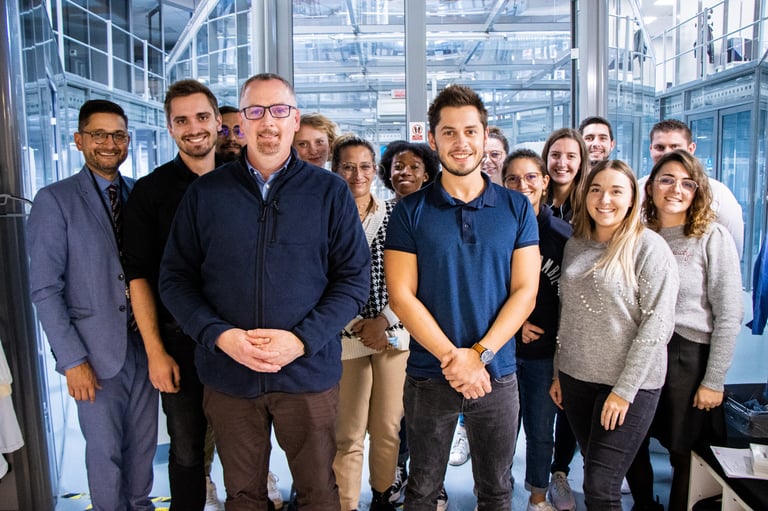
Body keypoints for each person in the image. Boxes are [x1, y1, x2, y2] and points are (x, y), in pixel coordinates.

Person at [158, 73, 370, 511]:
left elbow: (352, 280)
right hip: (229, 374)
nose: (267, 121)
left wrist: (301, 340)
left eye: (278, 111)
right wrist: (219, 335)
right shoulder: (206, 193)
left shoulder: (329, 192)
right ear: (238, 125)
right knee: (245, 495)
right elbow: (174, 280)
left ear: (294, 120)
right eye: (255, 111)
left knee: (317, 493)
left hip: (307, 374)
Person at [384, 84, 540, 510]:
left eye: (470, 131)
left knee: (496, 489)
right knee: (421, 488)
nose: (461, 142)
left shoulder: (516, 208)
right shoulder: (410, 210)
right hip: (429, 373)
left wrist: (480, 355)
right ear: (432, 139)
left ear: (485, 135)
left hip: (498, 373)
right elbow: (401, 295)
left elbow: (526, 292)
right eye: (449, 132)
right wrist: (455, 358)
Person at [27, 99, 158, 510]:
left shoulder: (139, 194)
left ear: (128, 142)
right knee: (105, 455)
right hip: (94, 353)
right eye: (98, 134)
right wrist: (72, 360)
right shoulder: (55, 200)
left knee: (143, 451)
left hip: (145, 347)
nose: (109, 143)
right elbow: (45, 288)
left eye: (117, 135)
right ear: (79, 140)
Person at [550, 160, 679, 510]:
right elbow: (568, 313)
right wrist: (557, 371)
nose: (604, 199)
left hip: (628, 385)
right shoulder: (576, 242)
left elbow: (658, 325)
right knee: (596, 469)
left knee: (600, 485)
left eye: (616, 190)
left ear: (633, 197)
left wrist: (623, 392)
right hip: (577, 379)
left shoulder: (649, 248)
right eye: (596, 189)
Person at [122, 80, 223, 511]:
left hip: (242, 338)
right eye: (181, 120)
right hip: (179, 340)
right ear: (169, 128)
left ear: (219, 122)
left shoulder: (244, 181)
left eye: (202, 117)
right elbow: (138, 277)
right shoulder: (150, 192)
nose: (194, 128)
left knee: (246, 449)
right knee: (186, 451)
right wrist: (155, 352)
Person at [627, 150, 742, 511]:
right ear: (651, 186)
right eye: (666, 179)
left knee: (684, 453)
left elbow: (728, 313)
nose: (676, 189)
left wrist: (714, 381)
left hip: (688, 357)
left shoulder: (711, 236)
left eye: (687, 183)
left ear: (697, 191)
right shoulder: (637, 235)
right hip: (643, 351)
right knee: (632, 442)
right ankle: (645, 505)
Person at [329, 135, 409, 511]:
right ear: (335, 170)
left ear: (375, 171)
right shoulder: (324, 214)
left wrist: (384, 320)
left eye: (364, 166)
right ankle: (345, 502)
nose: (357, 174)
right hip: (345, 334)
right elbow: (317, 276)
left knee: (388, 428)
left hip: (393, 334)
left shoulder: (396, 213)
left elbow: (412, 275)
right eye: (347, 166)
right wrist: (359, 322)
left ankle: (384, 495)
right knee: (348, 433)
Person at [377, 140, 446, 510]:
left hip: (429, 327)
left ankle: (434, 482)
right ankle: (398, 473)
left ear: (428, 172)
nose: (405, 172)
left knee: (427, 418)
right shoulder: (381, 213)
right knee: (396, 416)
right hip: (389, 332)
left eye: (414, 166)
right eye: (397, 166)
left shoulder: (437, 213)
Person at [503, 149, 572, 511]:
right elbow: (483, 291)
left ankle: (538, 496)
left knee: (541, 431)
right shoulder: (497, 229)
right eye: (512, 178)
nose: (522, 185)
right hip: (503, 350)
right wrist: (515, 325)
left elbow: (574, 303)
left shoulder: (564, 236)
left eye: (531, 177)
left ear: (546, 182)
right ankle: (499, 491)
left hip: (546, 354)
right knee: (502, 431)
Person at [642, 119, 744, 258]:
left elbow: (732, 254)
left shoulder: (720, 195)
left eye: (675, 147)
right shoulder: (637, 187)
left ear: (691, 149)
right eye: (660, 147)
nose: (667, 154)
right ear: (651, 149)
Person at [542, 128, 589, 222]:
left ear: (580, 163)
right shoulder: (533, 199)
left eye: (571, 156)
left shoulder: (589, 203)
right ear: (546, 158)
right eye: (555, 155)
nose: (562, 163)